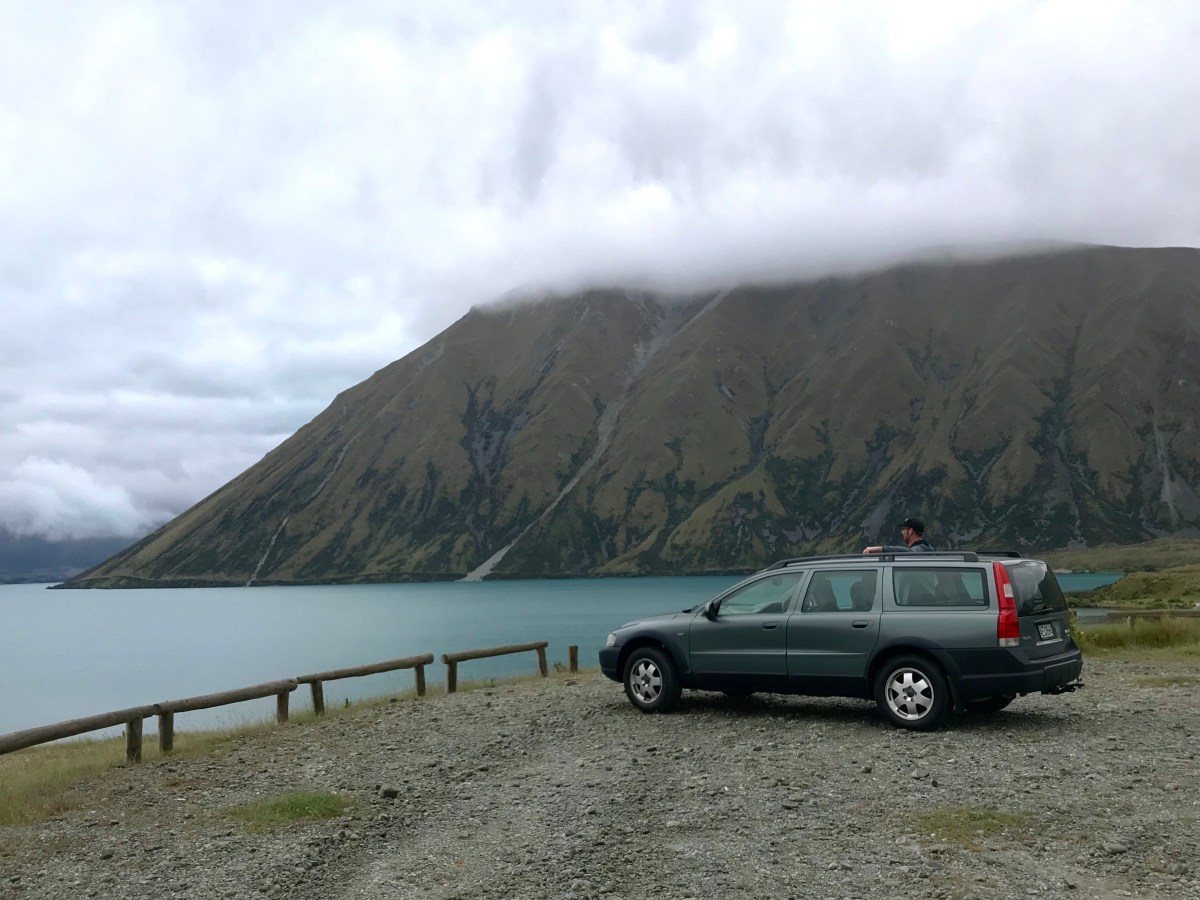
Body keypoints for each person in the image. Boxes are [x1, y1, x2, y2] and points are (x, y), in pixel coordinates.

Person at [863, 518, 934, 554]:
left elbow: (911, 553)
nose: (901, 532)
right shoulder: (927, 548)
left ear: (910, 531)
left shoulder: (919, 550)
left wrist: (879, 549)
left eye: (903, 529)